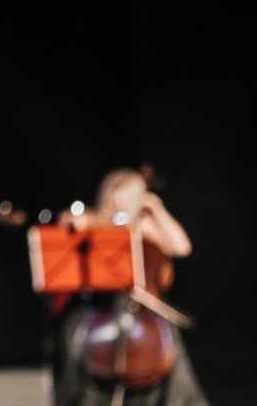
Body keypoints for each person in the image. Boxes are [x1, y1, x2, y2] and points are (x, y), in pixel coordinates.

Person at [54, 169, 208, 406]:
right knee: (71, 331)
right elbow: (66, 223)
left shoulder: (144, 225)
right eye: (109, 204)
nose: (115, 211)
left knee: (170, 338)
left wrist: (158, 210)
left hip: (143, 309)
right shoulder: (95, 222)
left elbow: (181, 247)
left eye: (121, 205)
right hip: (101, 307)